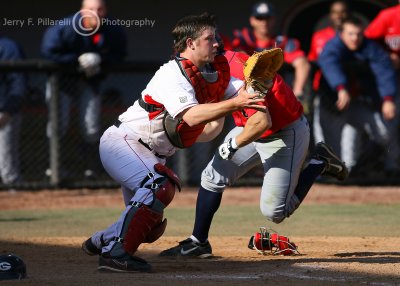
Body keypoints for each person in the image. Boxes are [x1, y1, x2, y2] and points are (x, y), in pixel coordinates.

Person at [80, 12, 266, 272]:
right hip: (124, 143)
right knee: (160, 186)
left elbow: (243, 94)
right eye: (209, 38)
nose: (217, 43)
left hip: (151, 154)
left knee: (150, 225)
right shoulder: (173, 74)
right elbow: (191, 115)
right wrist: (234, 103)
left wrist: (258, 84)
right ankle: (115, 254)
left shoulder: (212, 74)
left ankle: (101, 241)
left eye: (216, 38)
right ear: (190, 43)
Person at [159, 49, 348, 258]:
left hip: (283, 132)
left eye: (184, 65)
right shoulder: (209, 71)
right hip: (250, 128)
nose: (183, 71)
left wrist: (232, 145)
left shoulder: (238, 68)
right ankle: (198, 242)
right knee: (212, 177)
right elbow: (215, 126)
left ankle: (319, 162)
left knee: (275, 212)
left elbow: (263, 122)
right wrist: (187, 136)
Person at [41, 0, 127, 178]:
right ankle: (53, 169)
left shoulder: (112, 29)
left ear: (105, 11)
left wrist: (101, 58)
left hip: (89, 82)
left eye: (100, 9)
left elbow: (120, 54)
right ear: (82, 11)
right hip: (61, 83)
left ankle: (91, 170)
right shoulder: (65, 27)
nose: (95, 13)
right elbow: (48, 52)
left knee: (91, 127)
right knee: (58, 125)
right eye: (91, 9)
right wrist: (76, 59)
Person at [318, 16, 398, 175]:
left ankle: (362, 166)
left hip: (357, 103)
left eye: (359, 34)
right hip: (332, 104)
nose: (355, 38)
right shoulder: (332, 46)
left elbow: (384, 72)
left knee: (384, 133)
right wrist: (341, 87)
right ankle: (330, 180)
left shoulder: (370, 47)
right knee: (330, 146)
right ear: (341, 34)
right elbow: (329, 63)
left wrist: (388, 99)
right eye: (350, 34)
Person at [308, 1, 359, 172]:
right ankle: (327, 168)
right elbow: (313, 62)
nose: (339, 15)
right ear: (331, 15)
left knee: (350, 133)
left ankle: (349, 167)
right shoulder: (320, 36)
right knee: (323, 134)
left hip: (350, 91)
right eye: (335, 12)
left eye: (343, 12)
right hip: (324, 91)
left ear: (348, 14)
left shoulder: (354, 35)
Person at [231, 1, 310, 102]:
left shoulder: (282, 42)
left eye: (268, 18)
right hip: (247, 94)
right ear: (252, 20)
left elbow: (302, 63)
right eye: (259, 18)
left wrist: (297, 92)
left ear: (273, 20)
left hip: (277, 94)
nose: (264, 22)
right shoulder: (243, 40)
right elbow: (239, 58)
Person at [365, 1, 400, 175]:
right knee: (390, 123)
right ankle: (390, 166)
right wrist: (385, 55)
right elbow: (366, 41)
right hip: (391, 78)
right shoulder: (389, 16)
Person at [0, 36, 26, 186]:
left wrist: (9, 109)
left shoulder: (7, 47)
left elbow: (18, 81)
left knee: (6, 155)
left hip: (4, 108)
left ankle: (13, 188)